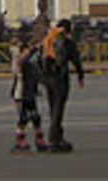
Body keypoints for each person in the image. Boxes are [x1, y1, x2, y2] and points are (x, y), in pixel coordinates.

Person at [42, 18, 85, 152]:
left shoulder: (48, 38)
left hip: (47, 76)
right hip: (60, 76)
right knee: (59, 107)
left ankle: (58, 136)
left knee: (52, 106)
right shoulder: (66, 40)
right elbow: (75, 58)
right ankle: (54, 140)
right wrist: (80, 75)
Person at [10, 31, 48, 153]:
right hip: (20, 93)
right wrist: (31, 51)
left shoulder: (31, 62)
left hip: (30, 92)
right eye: (24, 50)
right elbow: (20, 62)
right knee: (24, 117)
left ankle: (39, 138)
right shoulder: (19, 62)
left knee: (36, 116)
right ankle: (20, 140)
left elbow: (38, 73)